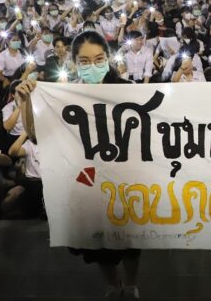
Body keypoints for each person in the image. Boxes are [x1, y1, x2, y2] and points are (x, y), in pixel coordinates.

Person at [15, 31, 141, 300]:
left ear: (108, 58)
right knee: (97, 243)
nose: (92, 65)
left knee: (131, 240)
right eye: (84, 61)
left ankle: (130, 284)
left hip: (125, 178)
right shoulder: (62, 95)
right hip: (87, 181)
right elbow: (36, 133)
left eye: (98, 59)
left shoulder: (128, 89)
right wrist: (26, 100)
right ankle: (112, 283)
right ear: (74, 63)